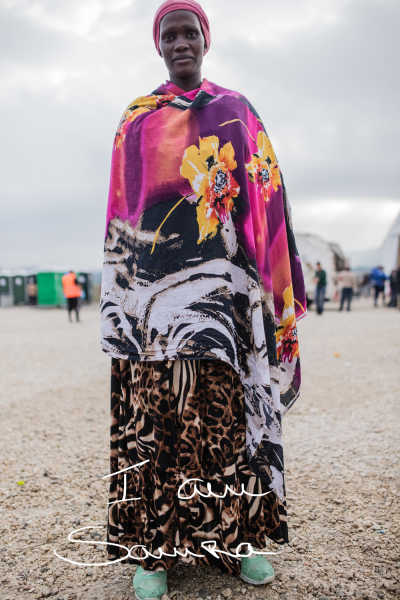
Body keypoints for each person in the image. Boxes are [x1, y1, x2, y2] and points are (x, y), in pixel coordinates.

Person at [100, 2, 306, 597]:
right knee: (156, 419)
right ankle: (153, 553)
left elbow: (266, 196)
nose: (181, 42)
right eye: (171, 34)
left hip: (228, 296)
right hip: (152, 304)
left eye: (191, 32)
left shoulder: (237, 112)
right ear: (158, 45)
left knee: (222, 418)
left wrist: (270, 284)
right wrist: (126, 302)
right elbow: (122, 212)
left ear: (206, 41)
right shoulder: (136, 119)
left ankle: (235, 540)